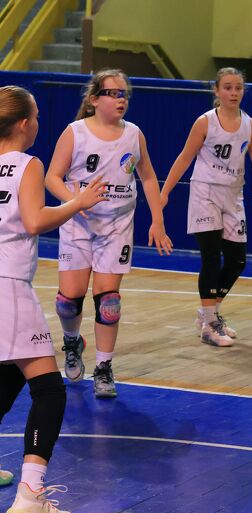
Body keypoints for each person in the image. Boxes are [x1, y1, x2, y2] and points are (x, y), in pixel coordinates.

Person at [0, 85, 108, 513]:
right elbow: (33, 220)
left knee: (8, 377)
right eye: (38, 117)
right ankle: (31, 495)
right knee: (49, 391)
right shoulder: (27, 164)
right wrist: (77, 202)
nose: (39, 124)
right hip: (8, 285)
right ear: (25, 123)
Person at [45, 69, 172, 399]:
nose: (120, 99)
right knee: (67, 302)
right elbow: (52, 177)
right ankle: (72, 342)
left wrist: (157, 220)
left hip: (116, 226)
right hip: (78, 223)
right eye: (113, 93)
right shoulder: (75, 133)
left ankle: (104, 366)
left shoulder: (134, 134)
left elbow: (147, 177)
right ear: (94, 99)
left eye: (124, 93)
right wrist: (74, 201)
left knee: (109, 302)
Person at [160, 68, 252, 347]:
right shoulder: (205, 122)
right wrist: (165, 192)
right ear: (217, 90)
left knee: (237, 261)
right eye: (228, 87)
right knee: (211, 256)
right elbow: (184, 158)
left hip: (234, 195)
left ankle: (208, 313)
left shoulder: (251, 125)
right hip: (205, 192)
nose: (234, 93)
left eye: (238, 88)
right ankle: (210, 326)